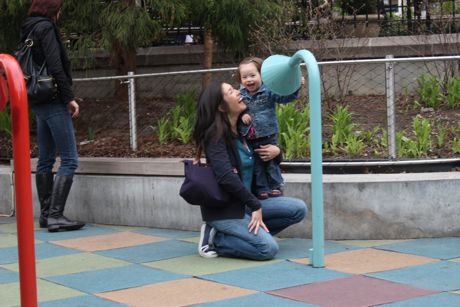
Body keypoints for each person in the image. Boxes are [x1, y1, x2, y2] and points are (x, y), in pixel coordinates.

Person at [192, 80, 307, 260]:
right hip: (227, 211)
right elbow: (225, 176)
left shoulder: (243, 129)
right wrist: (255, 204)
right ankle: (217, 239)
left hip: (247, 205)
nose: (238, 92)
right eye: (231, 91)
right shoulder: (215, 137)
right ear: (222, 107)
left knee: (298, 209)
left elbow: (262, 160)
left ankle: (248, 235)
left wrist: (277, 153)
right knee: (267, 249)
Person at [20, 0, 85, 232]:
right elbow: (56, 66)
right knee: (70, 159)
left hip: (37, 98)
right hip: (53, 98)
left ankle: (47, 215)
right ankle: (56, 215)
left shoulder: (28, 27)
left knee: (46, 159)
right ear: (53, 10)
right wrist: (69, 97)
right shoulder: (46, 28)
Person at [236, 57, 302, 200]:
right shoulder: (240, 95)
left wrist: (296, 87)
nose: (249, 80)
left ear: (261, 75)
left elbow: (284, 97)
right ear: (240, 80)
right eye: (244, 77)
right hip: (249, 136)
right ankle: (262, 188)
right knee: (257, 164)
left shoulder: (268, 91)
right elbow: (235, 109)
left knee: (270, 162)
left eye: (253, 75)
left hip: (267, 134)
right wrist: (243, 114)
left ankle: (275, 185)